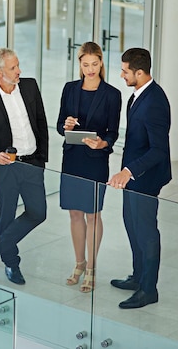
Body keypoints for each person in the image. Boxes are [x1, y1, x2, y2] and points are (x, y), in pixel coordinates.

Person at [0, 47, 48, 285]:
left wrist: (42, 159)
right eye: (13, 67)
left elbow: (41, 122)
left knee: (38, 212)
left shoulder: (29, 86)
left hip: (32, 164)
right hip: (6, 169)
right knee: (6, 217)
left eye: (18, 65)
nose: (19, 71)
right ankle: (12, 264)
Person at [107, 47, 171, 309]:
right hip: (131, 178)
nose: (121, 75)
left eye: (125, 71)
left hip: (144, 179)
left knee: (146, 233)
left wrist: (129, 171)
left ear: (140, 72)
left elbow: (159, 149)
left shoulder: (155, 102)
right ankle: (138, 276)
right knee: (132, 227)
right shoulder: (137, 96)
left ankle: (148, 289)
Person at [57, 42, 121, 293]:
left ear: (101, 63)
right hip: (72, 158)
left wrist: (102, 143)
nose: (90, 69)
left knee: (93, 214)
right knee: (74, 213)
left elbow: (114, 132)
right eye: (85, 65)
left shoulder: (112, 94)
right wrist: (67, 125)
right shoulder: (69, 89)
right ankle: (79, 263)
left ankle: (92, 268)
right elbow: (59, 125)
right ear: (80, 64)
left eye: (95, 64)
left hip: (95, 160)